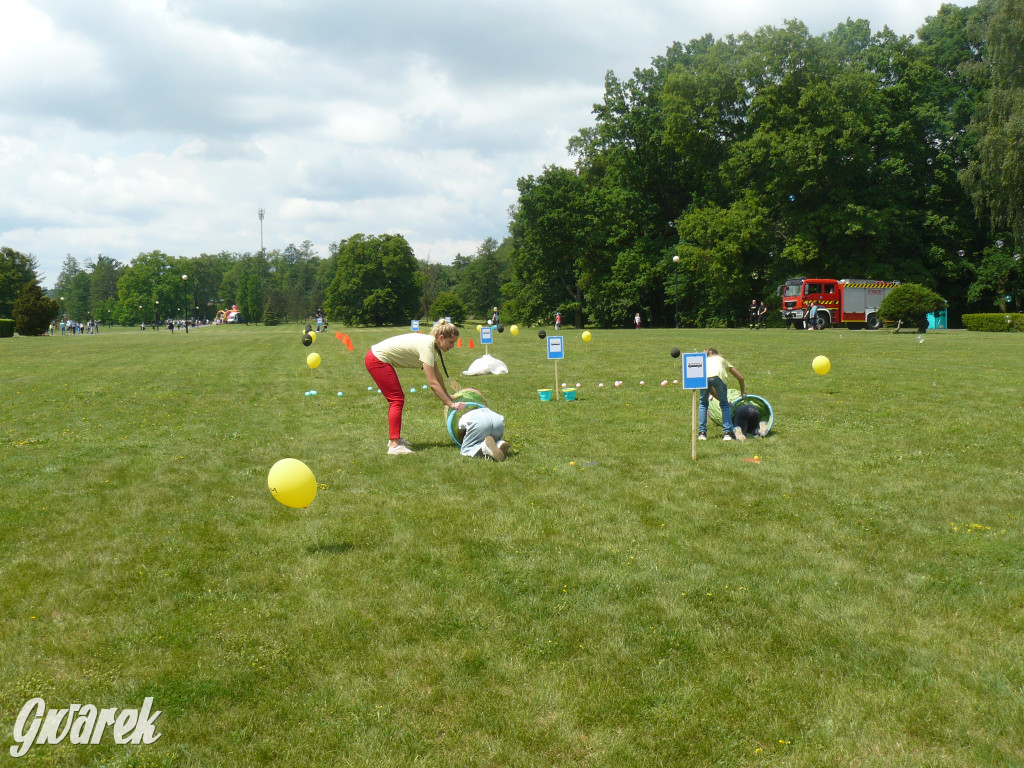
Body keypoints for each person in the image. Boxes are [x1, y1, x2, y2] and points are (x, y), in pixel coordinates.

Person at [365, 322, 466, 455]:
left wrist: (448, 396)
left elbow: (438, 375)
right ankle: (394, 445)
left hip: (376, 358)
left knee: (397, 399)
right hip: (377, 359)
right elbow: (433, 383)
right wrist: (450, 404)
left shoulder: (431, 344)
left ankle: (395, 440)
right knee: (396, 400)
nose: (452, 346)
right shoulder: (427, 346)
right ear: (441, 337)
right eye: (451, 342)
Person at [697, 347, 746, 441]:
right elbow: (740, 378)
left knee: (703, 404)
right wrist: (742, 392)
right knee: (724, 405)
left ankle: (702, 433)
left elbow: (710, 390)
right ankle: (727, 433)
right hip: (719, 377)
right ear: (717, 354)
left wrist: (720, 399)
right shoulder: (722, 359)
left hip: (703, 378)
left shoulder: (704, 361)